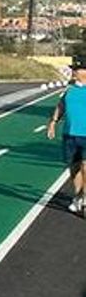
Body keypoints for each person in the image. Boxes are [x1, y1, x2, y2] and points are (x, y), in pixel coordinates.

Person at [47, 57, 86, 214]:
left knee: (85, 167)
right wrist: (53, 122)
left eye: (76, 69)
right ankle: (78, 197)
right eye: (73, 69)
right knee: (74, 167)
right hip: (70, 134)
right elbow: (61, 106)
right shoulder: (70, 90)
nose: (73, 72)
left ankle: (85, 197)